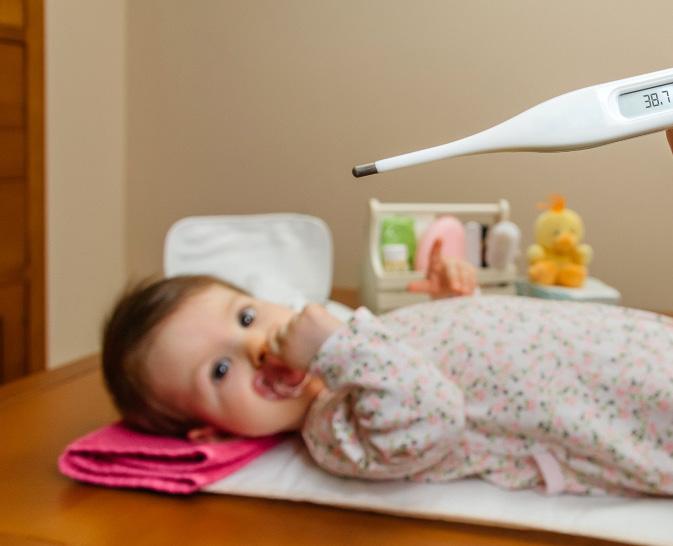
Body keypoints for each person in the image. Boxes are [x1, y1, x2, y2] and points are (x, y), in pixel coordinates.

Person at [102, 132, 673, 496]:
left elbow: (440, 363)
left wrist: (456, 307)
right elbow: (433, 415)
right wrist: (337, 346)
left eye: (246, 318)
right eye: (220, 371)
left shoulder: (359, 344)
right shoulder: (333, 429)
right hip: (617, 407)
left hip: (617, 341)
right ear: (212, 430)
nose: (253, 347)